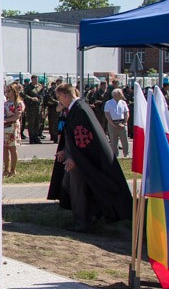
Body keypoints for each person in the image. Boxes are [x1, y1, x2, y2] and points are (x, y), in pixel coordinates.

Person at [47, 82, 132, 233]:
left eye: (58, 97)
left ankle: (82, 223)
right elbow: (74, 135)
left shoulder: (80, 110)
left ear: (64, 95)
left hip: (82, 161)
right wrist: (65, 151)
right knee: (68, 185)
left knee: (78, 190)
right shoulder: (76, 108)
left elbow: (84, 139)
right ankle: (91, 215)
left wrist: (75, 158)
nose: (58, 101)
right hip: (79, 159)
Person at [2, 84, 25, 178]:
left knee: (12, 149)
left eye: (9, 91)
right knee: (4, 148)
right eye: (6, 91)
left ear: (14, 92)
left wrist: (5, 120)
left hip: (12, 127)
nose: (7, 93)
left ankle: (13, 170)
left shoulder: (18, 103)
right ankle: (6, 169)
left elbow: (16, 116)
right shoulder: (6, 103)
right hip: (4, 128)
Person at [103, 87, 130, 158]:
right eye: (120, 94)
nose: (122, 95)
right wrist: (113, 124)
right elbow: (107, 114)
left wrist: (125, 123)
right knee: (113, 141)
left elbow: (126, 113)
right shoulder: (108, 103)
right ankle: (115, 156)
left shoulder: (123, 103)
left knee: (124, 140)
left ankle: (126, 154)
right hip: (112, 123)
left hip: (122, 122)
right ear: (115, 95)